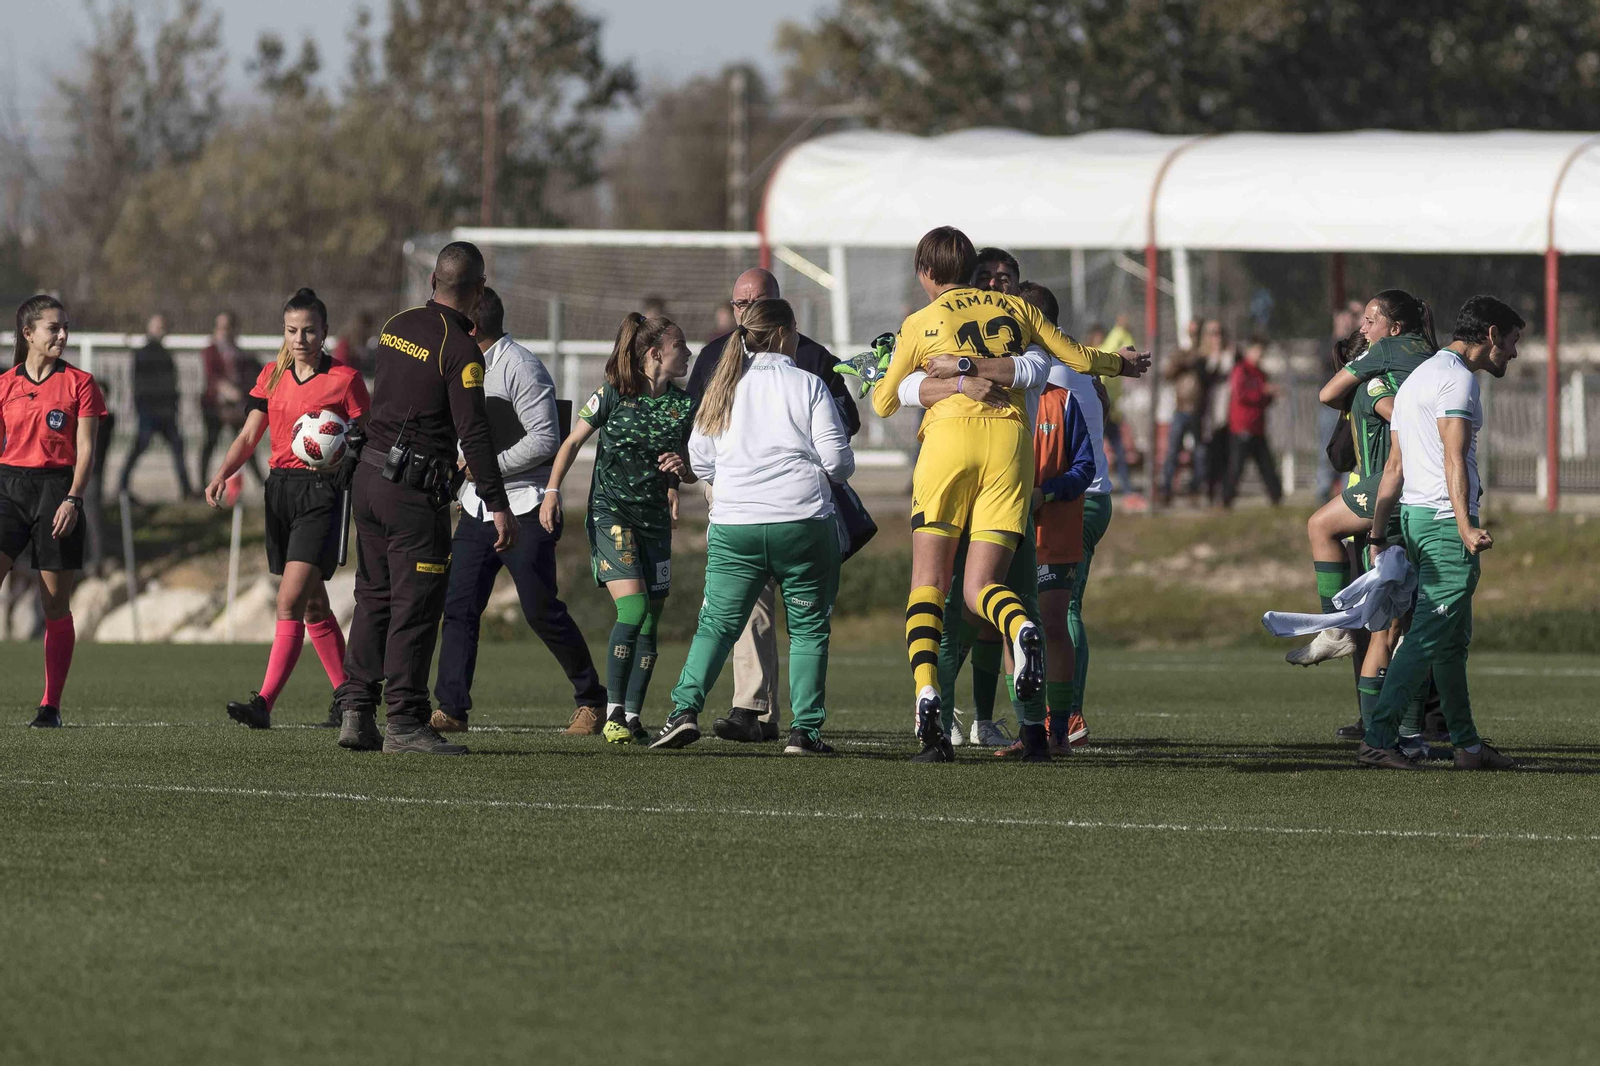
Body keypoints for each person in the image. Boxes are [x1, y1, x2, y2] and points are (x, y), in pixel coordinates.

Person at [872, 225, 1148, 762]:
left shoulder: (920, 321)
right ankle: (1020, 629)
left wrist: (937, 380)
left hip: (948, 444)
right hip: (1008, 447)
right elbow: (1076, 355)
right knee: (984, 586)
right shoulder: (1017, 312)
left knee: (928, 584)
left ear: (926, 274)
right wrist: (1123, 363)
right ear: (972, 267)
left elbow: (884, 400)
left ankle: (927, 696)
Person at [334, 241, 513, 756]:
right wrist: (497, 504)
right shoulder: (459, 350)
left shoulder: (396, 325)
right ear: (478, 291)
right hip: (412, 493)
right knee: (414, 606)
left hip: (368, 478)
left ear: (433, 281)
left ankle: (356, 710)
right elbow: (473, 432)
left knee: (373, 599)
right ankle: (406, 721)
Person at [656, 298, 854, 752]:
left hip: (735, 524)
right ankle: (805, 732)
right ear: (786, 333)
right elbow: (838, 464)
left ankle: (684, 710)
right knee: (808, 629)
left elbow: (701, 460)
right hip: (802, 521)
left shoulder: (724, 385)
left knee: (717, 625)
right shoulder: (807, 383)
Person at [1357, 295, 1523, 771]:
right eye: (1511, 342)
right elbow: (1454, 458)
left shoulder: (1418, 379)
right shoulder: (1456, 380)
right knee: (1428, 639)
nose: (1513, 353)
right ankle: (1378, 737)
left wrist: (1377, 534)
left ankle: (1467, 747)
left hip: (1415, 520)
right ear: (1491, 335)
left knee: (1451, 641)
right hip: (1446, 527)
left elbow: (1395, 466)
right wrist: (1467, 526)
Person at [432, 288, 606, 735]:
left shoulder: (522, 367)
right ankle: (451, 708)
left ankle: (591, 700)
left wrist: (486, 468)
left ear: (472, 328)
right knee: (459, 607)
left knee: (540, 609)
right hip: (477, 508)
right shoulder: (462, 365)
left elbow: (546, 438)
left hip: (526, 506)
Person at [205, 289, 370, 730]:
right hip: (279, 492)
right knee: (314, 605)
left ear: (325, 332)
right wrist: (223, 472)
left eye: (310, 330)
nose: (300, 339)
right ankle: (347, 698)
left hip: (321, 494)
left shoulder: (345, 380)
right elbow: (248, 435)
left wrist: (350, 455)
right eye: (292, 330)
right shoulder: (270, 375)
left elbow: (367, 434)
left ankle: (263, 703)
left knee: (289, 600)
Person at [541, 312, 696, 747]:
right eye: (680, 346)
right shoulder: (612, 395)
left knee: (651, 622)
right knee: (633, 610)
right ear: (654, 354)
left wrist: (681, 473)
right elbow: (571, 443)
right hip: (612, 515)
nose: (687, 353)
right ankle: (610, 713)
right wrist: (552, 491)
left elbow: (691, 469)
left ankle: (631, 715)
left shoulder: (684, 405)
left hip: (654, 523)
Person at [1291, 290, 1437, 677]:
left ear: (1395, 327)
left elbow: (1326, 394)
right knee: (1389, 629)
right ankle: (1393, 731)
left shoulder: (1380, 367)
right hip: (1426, 488)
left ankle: (1335, 627)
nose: (1364, 327)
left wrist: (1365, 387)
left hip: (1394, 485)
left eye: (1371, 320)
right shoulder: (1428, 354)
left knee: (1319, 525)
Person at [0, 296, 106, 726]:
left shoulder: (81, 383)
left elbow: (86, 452)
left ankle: (51, 706)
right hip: (8, 488)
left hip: (57, 493)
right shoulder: (5, 384)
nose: (63, 335)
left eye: (66, 327)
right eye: (53, 328)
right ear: (28, 334)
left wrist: (73, 498)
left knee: (55, 605)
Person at [1021, 281, 1111, 748]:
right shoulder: (1079, 365)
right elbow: (1105, 411)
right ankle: (1049, 713)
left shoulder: (1050, 376)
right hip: (1089, 494)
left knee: (1061, 611)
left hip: (1076, 499)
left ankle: (1067, 714)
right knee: (1044, 612)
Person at [117, 313, 193, 501]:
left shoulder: (166, 355)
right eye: (157, 326)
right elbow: (139, 386)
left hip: (166, 412)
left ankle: (187, 490)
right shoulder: (143, 354)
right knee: (139, 448)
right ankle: (122, 488)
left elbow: (171, 384)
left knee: (177, 449)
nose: (160, 330)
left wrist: (174, 406)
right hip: (150, 412)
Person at [198, 310, 263, 490]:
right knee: (210, 443)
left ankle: (260, 482)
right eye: (220, 327)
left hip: (236, 408)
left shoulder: (241, 354)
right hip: (214, 407)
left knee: (244, 445)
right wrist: (226, 389)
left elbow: (251, 375)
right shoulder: (210, 351)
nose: (224, 332)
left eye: (227, 327)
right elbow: (212, 376)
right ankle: (201, 483)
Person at [1221, 337, 1283, 507]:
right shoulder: (1241, 370)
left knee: (1266, 464)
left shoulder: (1260, 373)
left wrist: (1270, 395)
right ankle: (1226, 498)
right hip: (1242, 426)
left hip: (1257, 427)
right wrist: (1262, 392)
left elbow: (1262, 399)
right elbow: (1241, 394)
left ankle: (1276, 496)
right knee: (1236, 466)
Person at [1159, 317, 1209, 503]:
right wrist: (1182, 362)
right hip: (1181, 409)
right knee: (1173, 451)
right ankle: (1166, 488)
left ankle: (1196, 488)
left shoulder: (1204, 354)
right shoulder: (1182, 354)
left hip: (1198, 410)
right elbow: (1168, 374)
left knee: (1199, 452)